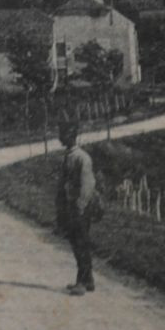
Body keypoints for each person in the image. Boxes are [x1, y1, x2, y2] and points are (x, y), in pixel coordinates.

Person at [54, 119, 100, 296]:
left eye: (62, 134)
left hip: (80, 208)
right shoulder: (69, 156)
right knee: (77, 243)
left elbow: (87, 185)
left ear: (70, 136)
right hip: (71, 206)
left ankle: (82, 282)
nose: (60, 137)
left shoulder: (82, 158)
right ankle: (88, 280)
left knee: (81, 243)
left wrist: (80, 207)